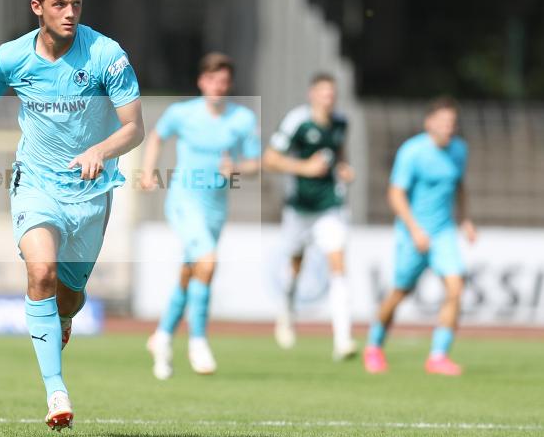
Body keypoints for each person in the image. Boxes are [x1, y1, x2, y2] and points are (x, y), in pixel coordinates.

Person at [0, 0, 143, 430]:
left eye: (75, 3)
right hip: (35, 182)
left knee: (68, 298)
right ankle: (56, 392)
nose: (70, 12)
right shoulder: (11, 57)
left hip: (91, 192)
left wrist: (101, 148)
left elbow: (134, 128)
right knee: (41, 272)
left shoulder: (106, 54)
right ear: (38, 7)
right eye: (59, 4)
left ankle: (64, 320)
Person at [140, 53, 260, 379]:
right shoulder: (182, 113)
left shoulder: (242, 119)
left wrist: (237, 168)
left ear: (229, 84)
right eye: (212, 80)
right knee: (208, 261)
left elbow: (255, 163)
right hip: (183, 200)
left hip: (215, 208)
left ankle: (162, 335)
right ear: (201, 81)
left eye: (223, 82)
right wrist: (148, 172)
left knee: (193, 271)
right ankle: (198, 340)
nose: (217, 87)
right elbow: (157, 137)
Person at [364, 97, 476, 376]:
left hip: (443, 233)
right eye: (442, 122)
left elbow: (459, 186)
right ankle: (374, 346)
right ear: (429, 123)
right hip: (413, 233)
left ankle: (438, 356)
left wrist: (465, 220)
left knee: (455, 287)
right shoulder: (412, 152)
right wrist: (414, 229)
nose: (448, 128)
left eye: (452, 123)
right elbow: (395, 193)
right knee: (400, 292)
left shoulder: (459, 150)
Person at [263, 73, 358, 361]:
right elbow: (270, 159)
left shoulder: (341, 122)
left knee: (339, 266)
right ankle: (287, 312)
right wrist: (304, 167)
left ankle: (343, 339)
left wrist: (343, 168)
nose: (328, 99)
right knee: (295, 264)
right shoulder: (297, 121)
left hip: (331, 207)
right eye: (323, 93)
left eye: (332, 94)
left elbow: (340, 154)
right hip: (299, 207)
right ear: (312, 94)